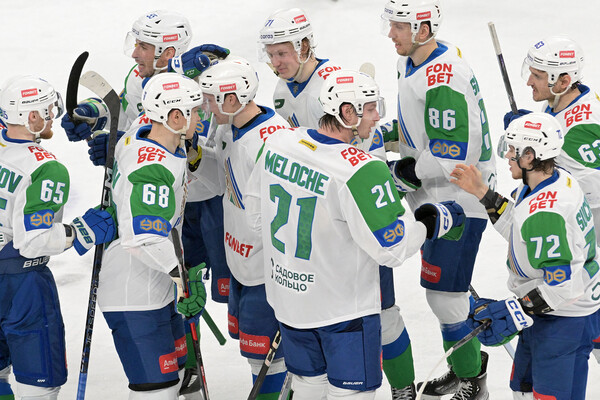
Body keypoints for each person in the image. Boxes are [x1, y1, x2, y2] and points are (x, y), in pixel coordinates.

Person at [244, 69, 464, 400]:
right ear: (348, 112)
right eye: (371, 108)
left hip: (290, 306)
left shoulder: (277, 142)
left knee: (308, 389)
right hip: (343, 314)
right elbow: (392, 249)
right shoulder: (360, 169)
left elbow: (256, 219)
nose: (378, 117)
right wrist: (431, 223)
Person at [60, 11, 231, 392]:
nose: (135, 53)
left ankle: (186, 365)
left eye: (143, 45)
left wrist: (119, 143)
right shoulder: (147, 88)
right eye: (135, 43)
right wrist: (98, 119)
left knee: (181, 305)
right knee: (173, 297)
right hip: (153, 228)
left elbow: (185, 146)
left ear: (168, 51)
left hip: (195, 205)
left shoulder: (195, 87)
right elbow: (130, 114)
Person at [259, 10, 415, 397]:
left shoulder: (337, 86)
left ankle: (404, 388)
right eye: (271, 54)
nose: (276, 62)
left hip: (353, 221)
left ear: (304, 45)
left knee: (383, 314)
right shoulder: (282, 91)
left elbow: (366, 163)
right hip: (313, 232)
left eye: (282, 53)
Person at [380, 1, 497, 398]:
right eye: (391, 24)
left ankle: (473, 379)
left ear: (424, 29)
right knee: (447, 294)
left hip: (460, 199)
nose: (391, 33)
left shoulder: (444, 78)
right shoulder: (412, 62)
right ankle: (464, 364)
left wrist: (404, 173)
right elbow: (422, 125)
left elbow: (454, 154)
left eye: (399, 26)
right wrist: (388, 134)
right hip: (436, 194)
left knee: (445, 298)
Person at [451, 112, 600, 400]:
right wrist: (482, 192)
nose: (507, 155)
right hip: (548, 315)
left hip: (562, 321)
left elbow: (563, 287)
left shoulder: (547, 212)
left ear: (530, 156)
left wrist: (515, 310)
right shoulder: (553, 180)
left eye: (513, 149)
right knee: (523, 389)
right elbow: (519, 227)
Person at [0, 75, 115, 400]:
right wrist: (81, 232)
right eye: (47, 110)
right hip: (22, 287)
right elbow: (33, 241)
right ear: (31, 117)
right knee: (40, 385)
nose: (53, 115)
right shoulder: (46, 169)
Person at [96, 72, 206, 399]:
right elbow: (144, 238)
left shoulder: (151, 131)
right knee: (158, 389)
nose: (200, 119)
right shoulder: (153, 168)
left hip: (156, 287)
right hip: (134, 293)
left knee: (178, 378)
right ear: (175, 118)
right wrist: (182, 277)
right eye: (194, 112)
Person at [195, 56, 290, 399]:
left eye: (211, 99)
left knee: (270, 359)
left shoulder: (272, 142)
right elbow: (223, 184)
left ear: (232, 99)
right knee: (256, 355)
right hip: (241, 261)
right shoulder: (228, 127)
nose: (206, 107)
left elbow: (284, 217)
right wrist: (195, 158)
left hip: (267, 271)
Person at [504, 36, 600, 363]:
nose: (529, 81)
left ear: (563, 80)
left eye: (537, 75)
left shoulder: (580, 126)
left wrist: (537, 163)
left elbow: (588, 184)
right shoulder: (561, 105)